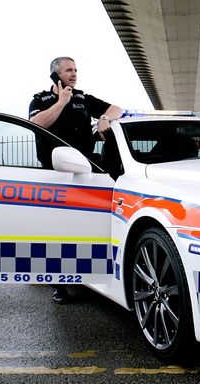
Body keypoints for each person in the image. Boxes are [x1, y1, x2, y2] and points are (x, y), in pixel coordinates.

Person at [29, 56, 123, 303]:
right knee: (57, 231)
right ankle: (58, 283)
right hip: (55, 173)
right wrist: (61, 102)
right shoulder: (40, 100)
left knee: (83, 227)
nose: (74, 74)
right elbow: (37, 123)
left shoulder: (83, 98)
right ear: (55, 74)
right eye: (68, 70)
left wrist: (104, 118)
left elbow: (116, 109)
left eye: (76, 70)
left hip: (85, 172)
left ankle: (89, 271)